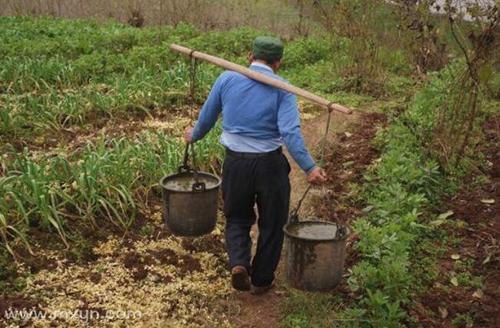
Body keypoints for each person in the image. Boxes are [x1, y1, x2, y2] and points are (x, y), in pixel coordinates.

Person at [184, 36, 327, 295]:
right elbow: (290, 133)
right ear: (278, 63)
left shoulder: (227, 79)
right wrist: (309, 167)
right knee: (272, 223)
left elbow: (206, 118)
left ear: (250, 56)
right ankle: (261, 279)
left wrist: (193, 134)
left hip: (235, 163)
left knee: (237, 217)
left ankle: (239, 263)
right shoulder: (283, 89)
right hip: (270, 166)